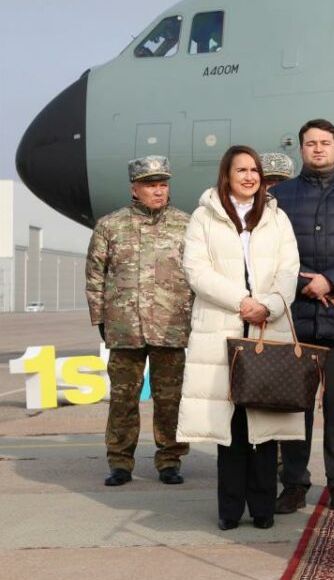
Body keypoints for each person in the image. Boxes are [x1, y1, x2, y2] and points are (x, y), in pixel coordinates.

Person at [177, 145, 302, 530]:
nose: (249, 176)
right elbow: (196, 270)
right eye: (241, 170)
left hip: (267, 325)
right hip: (223, 327)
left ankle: (263, 508)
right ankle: (230, 509)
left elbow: (289, 268)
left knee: (262, 425)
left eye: (254, 170)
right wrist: (242, 301)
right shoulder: (204, 217)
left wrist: (269, 305)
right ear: (226, 174)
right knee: (229, 429)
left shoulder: (277, 218)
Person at [272, 119, 334, 513]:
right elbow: (269, 254)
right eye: (310, 143)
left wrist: (332, 280)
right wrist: (302, 283)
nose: (318, 149)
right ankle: (294, 483)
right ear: (300, 150)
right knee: (295, 407)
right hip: (294, 318)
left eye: (325, 143)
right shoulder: (279, 197)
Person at [85, 155, 193, 487]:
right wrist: (100, 320)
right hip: (124, 327)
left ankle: (170, 460)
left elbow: (198, 274)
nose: (159, 191)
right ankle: (119, 462)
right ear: (135, 189)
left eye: (163, 185)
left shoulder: (187, 225)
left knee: (170, 399)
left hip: (171, 325)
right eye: (151, 185)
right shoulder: (109, 226)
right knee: (122, 399)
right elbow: (94, 276)